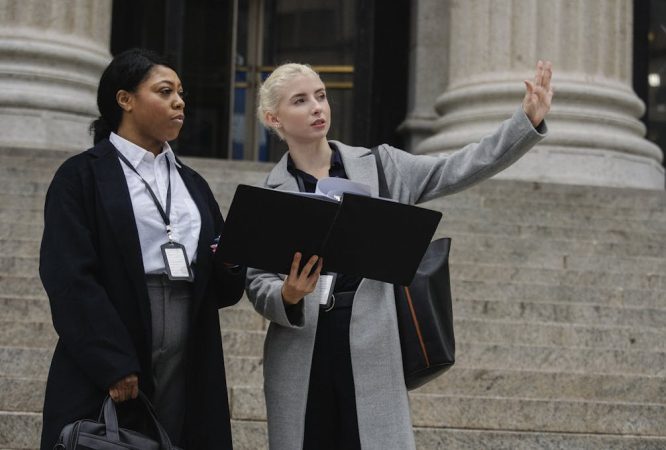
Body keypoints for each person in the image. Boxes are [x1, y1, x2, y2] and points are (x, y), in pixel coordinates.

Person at [245, 60, 553, 449]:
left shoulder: (380, 165)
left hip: (373, 342)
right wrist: (286, 295)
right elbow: (256, 280)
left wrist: (523, 122)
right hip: (299, 351)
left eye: (321, 96)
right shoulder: (269, 195)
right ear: (275, 118)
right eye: (301, 101)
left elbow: (456, 167)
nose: (317, 107)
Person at [39, 48, 245, 449]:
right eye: (165, 91)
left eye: (181, 93)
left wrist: (235, 260)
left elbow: (222, 284)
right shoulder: (81, 176)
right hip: (119, 325)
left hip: (191, 333)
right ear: (125, 99)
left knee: (180, 433)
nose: (180, 102)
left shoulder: (194, 183)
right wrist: (111, 361)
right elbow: (68, 276)